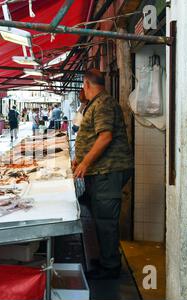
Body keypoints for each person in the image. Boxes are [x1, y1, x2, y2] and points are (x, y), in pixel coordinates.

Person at [72, 69, 134, 280]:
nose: (83, 89)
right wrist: (80, 159)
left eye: (83, 85)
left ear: (87, 84)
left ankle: (111, 267)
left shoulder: (103, 103)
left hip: (108, 171)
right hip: (101, 171)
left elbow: (105, 137)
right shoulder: (97, 103)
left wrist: (85, 163)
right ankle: (105, 259)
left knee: (106, 220)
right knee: (100, 217)